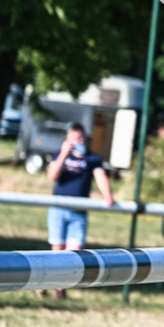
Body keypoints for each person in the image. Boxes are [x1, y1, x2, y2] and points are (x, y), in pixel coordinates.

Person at [44, 122, 115, 298]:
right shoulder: (60, 155)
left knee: (74, 252)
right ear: (67, 139)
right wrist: (63, 154)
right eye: (74, 138)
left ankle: (60, 288)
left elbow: (100, 176)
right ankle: (48, 283)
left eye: (81, 137)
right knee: (57, 248)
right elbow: (52, 176)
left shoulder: (92, 158)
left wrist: (107, 195)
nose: (78, 141)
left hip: (79, 211)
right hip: (59, 209)